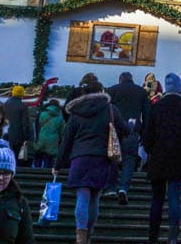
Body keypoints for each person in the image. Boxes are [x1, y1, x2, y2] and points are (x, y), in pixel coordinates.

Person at [55, 75, 129, 244]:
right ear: (101, 91)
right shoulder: (110, 109)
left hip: (79, 158)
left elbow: (67, 140)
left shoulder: (76, 112)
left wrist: (58, 164)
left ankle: (80, 238)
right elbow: (125, 130)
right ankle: (88, 237)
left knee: (82, 197)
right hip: (101, 158)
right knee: (95, 199)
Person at [141, 73, 181, 244]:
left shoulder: (157, 107)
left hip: (159, 158)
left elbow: (148, 135)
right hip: (179, 159)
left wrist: (150, 149)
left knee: (157, 199)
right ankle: (172, 237)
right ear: (180, 87)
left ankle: (153, 236)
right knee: (174, 197)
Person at [106, 71, 151, 204]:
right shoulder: (141, 92)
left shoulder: (112, 90)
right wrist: (145, 132)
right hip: (133, 130)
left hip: (115, 129)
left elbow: (106, 110)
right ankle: (123, 188)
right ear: (132, 79)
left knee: (113, 157)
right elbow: (147, 114)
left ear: (120, 79)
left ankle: (111, 187)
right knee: (129, 159)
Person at [2, 87, 31, 165]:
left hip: (5, 135)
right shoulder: (23, 106)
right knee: (16, 159)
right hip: (18, 137)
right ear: (22, 94)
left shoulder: (5, 104)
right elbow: (25, 123)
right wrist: (27, 137)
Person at [33, 100, 64, 169]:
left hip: (41, 138)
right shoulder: (60, 118)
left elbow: (37, 126)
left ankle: (36, 173)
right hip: (53, 140)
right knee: (49, 159)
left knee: (38, 156)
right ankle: (46, 175)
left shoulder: (41, 114)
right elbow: (61, 131)